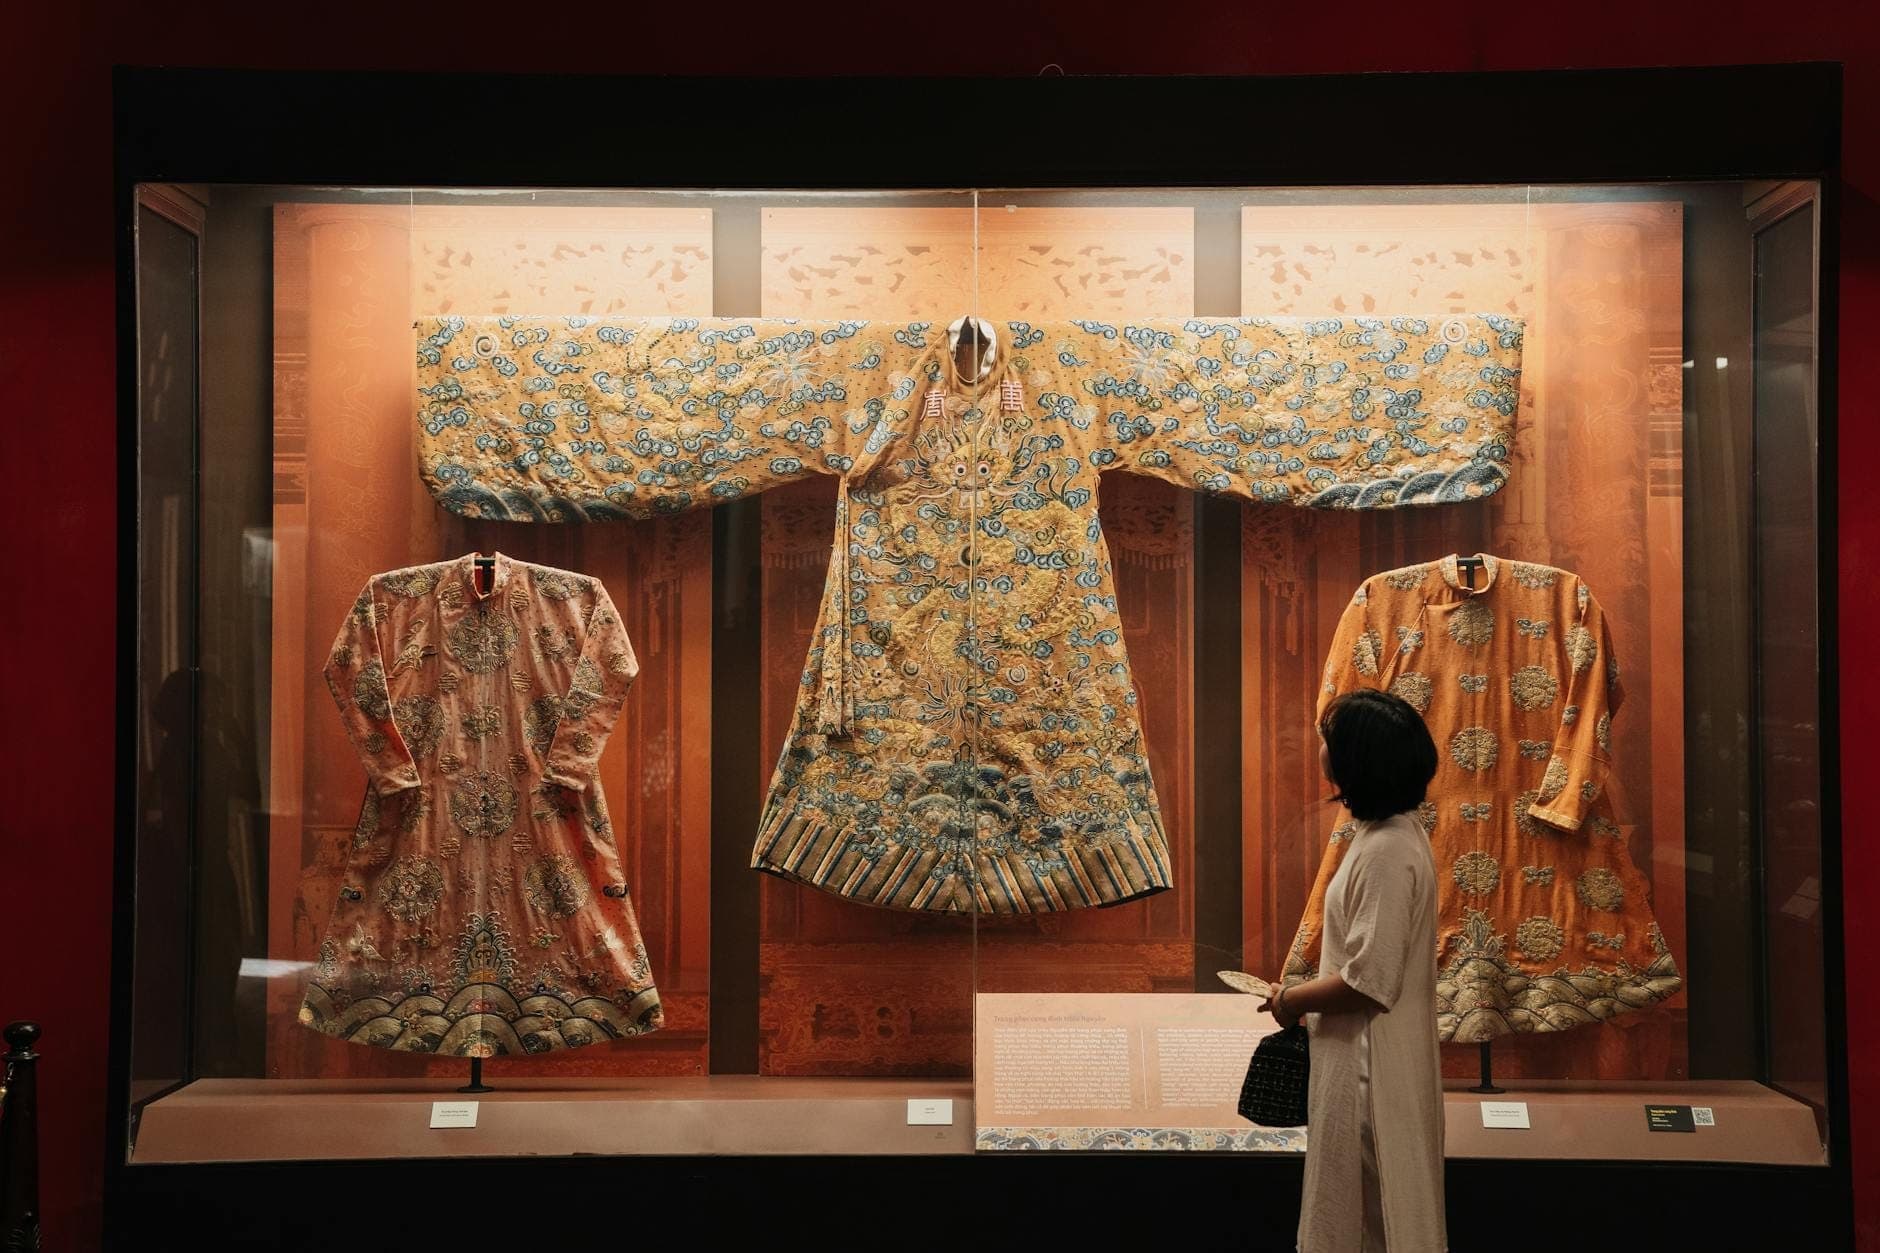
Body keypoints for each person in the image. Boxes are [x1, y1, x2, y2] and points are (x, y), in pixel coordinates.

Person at [1260, 688, 1445, 1251]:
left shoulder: (1388, 849)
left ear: (1357, 759)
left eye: (1328, 740)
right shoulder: (1391, 836)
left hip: (1370, 1064)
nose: (1320, 748)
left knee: (1367, 1215)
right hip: (1365, 1052)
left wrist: (1291, 1000)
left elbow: (1369, 980)